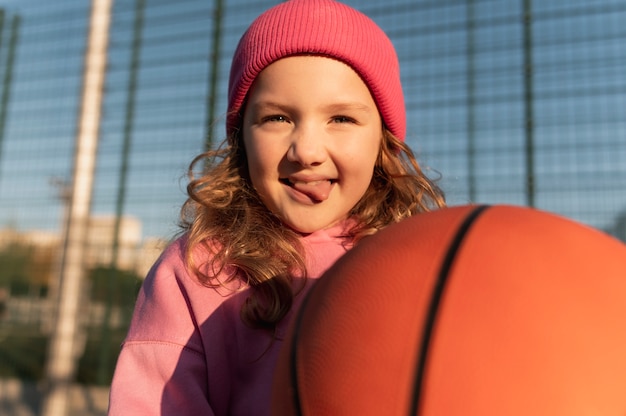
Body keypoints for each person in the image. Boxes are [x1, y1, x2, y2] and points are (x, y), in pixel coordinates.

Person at [108, 0, 446, 414]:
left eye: (340, 118)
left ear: (383, 143)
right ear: (241, 138)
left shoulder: (419, 267)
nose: (306, 151)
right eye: (277, 118)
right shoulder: (196, 271)